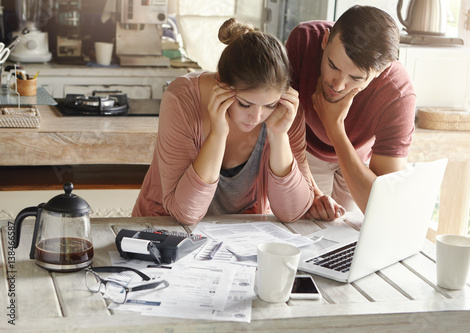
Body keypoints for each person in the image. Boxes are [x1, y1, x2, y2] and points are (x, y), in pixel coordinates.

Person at [132, 18, 314, 225]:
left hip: (237, 238)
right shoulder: (182, 98)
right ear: (220, 83)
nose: (256, 117)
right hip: (163, 231)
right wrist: (218, 133)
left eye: (269, 106)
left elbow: (293, 212)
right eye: (245, 104)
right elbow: (185, 213)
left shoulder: (286, 110)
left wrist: (279, 136)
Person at [286, 5, 416, 220]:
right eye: (333, 65)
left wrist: (334, 127)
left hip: (357, 158)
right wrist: (313, 193)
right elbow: (281, 132)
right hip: (303, 147)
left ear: (381, 70)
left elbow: (385, 206)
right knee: (303, 223)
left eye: (355, 78)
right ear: (325, 40)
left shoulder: (397, 93)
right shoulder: (303, 40)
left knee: (346, 229)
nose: (338, 85)